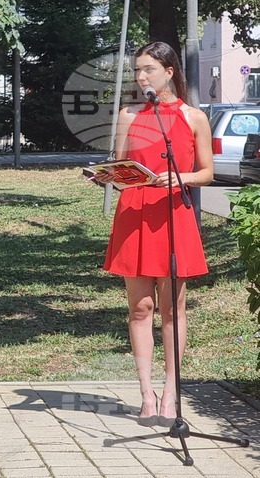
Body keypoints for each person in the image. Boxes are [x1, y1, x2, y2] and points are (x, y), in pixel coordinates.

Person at [101, 41, 213, 427]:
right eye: (137, 70)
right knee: (140, 308)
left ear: (169, 72)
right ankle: (145, 394)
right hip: (134, 212)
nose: (140, 77)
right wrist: (107, 176)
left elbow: (206, 173)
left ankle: (170, 392)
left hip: (172, 214)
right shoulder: (128, 115)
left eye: (148, 69)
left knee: (172, 309)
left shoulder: (193, 116)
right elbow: (118, 170)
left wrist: (178, 177)